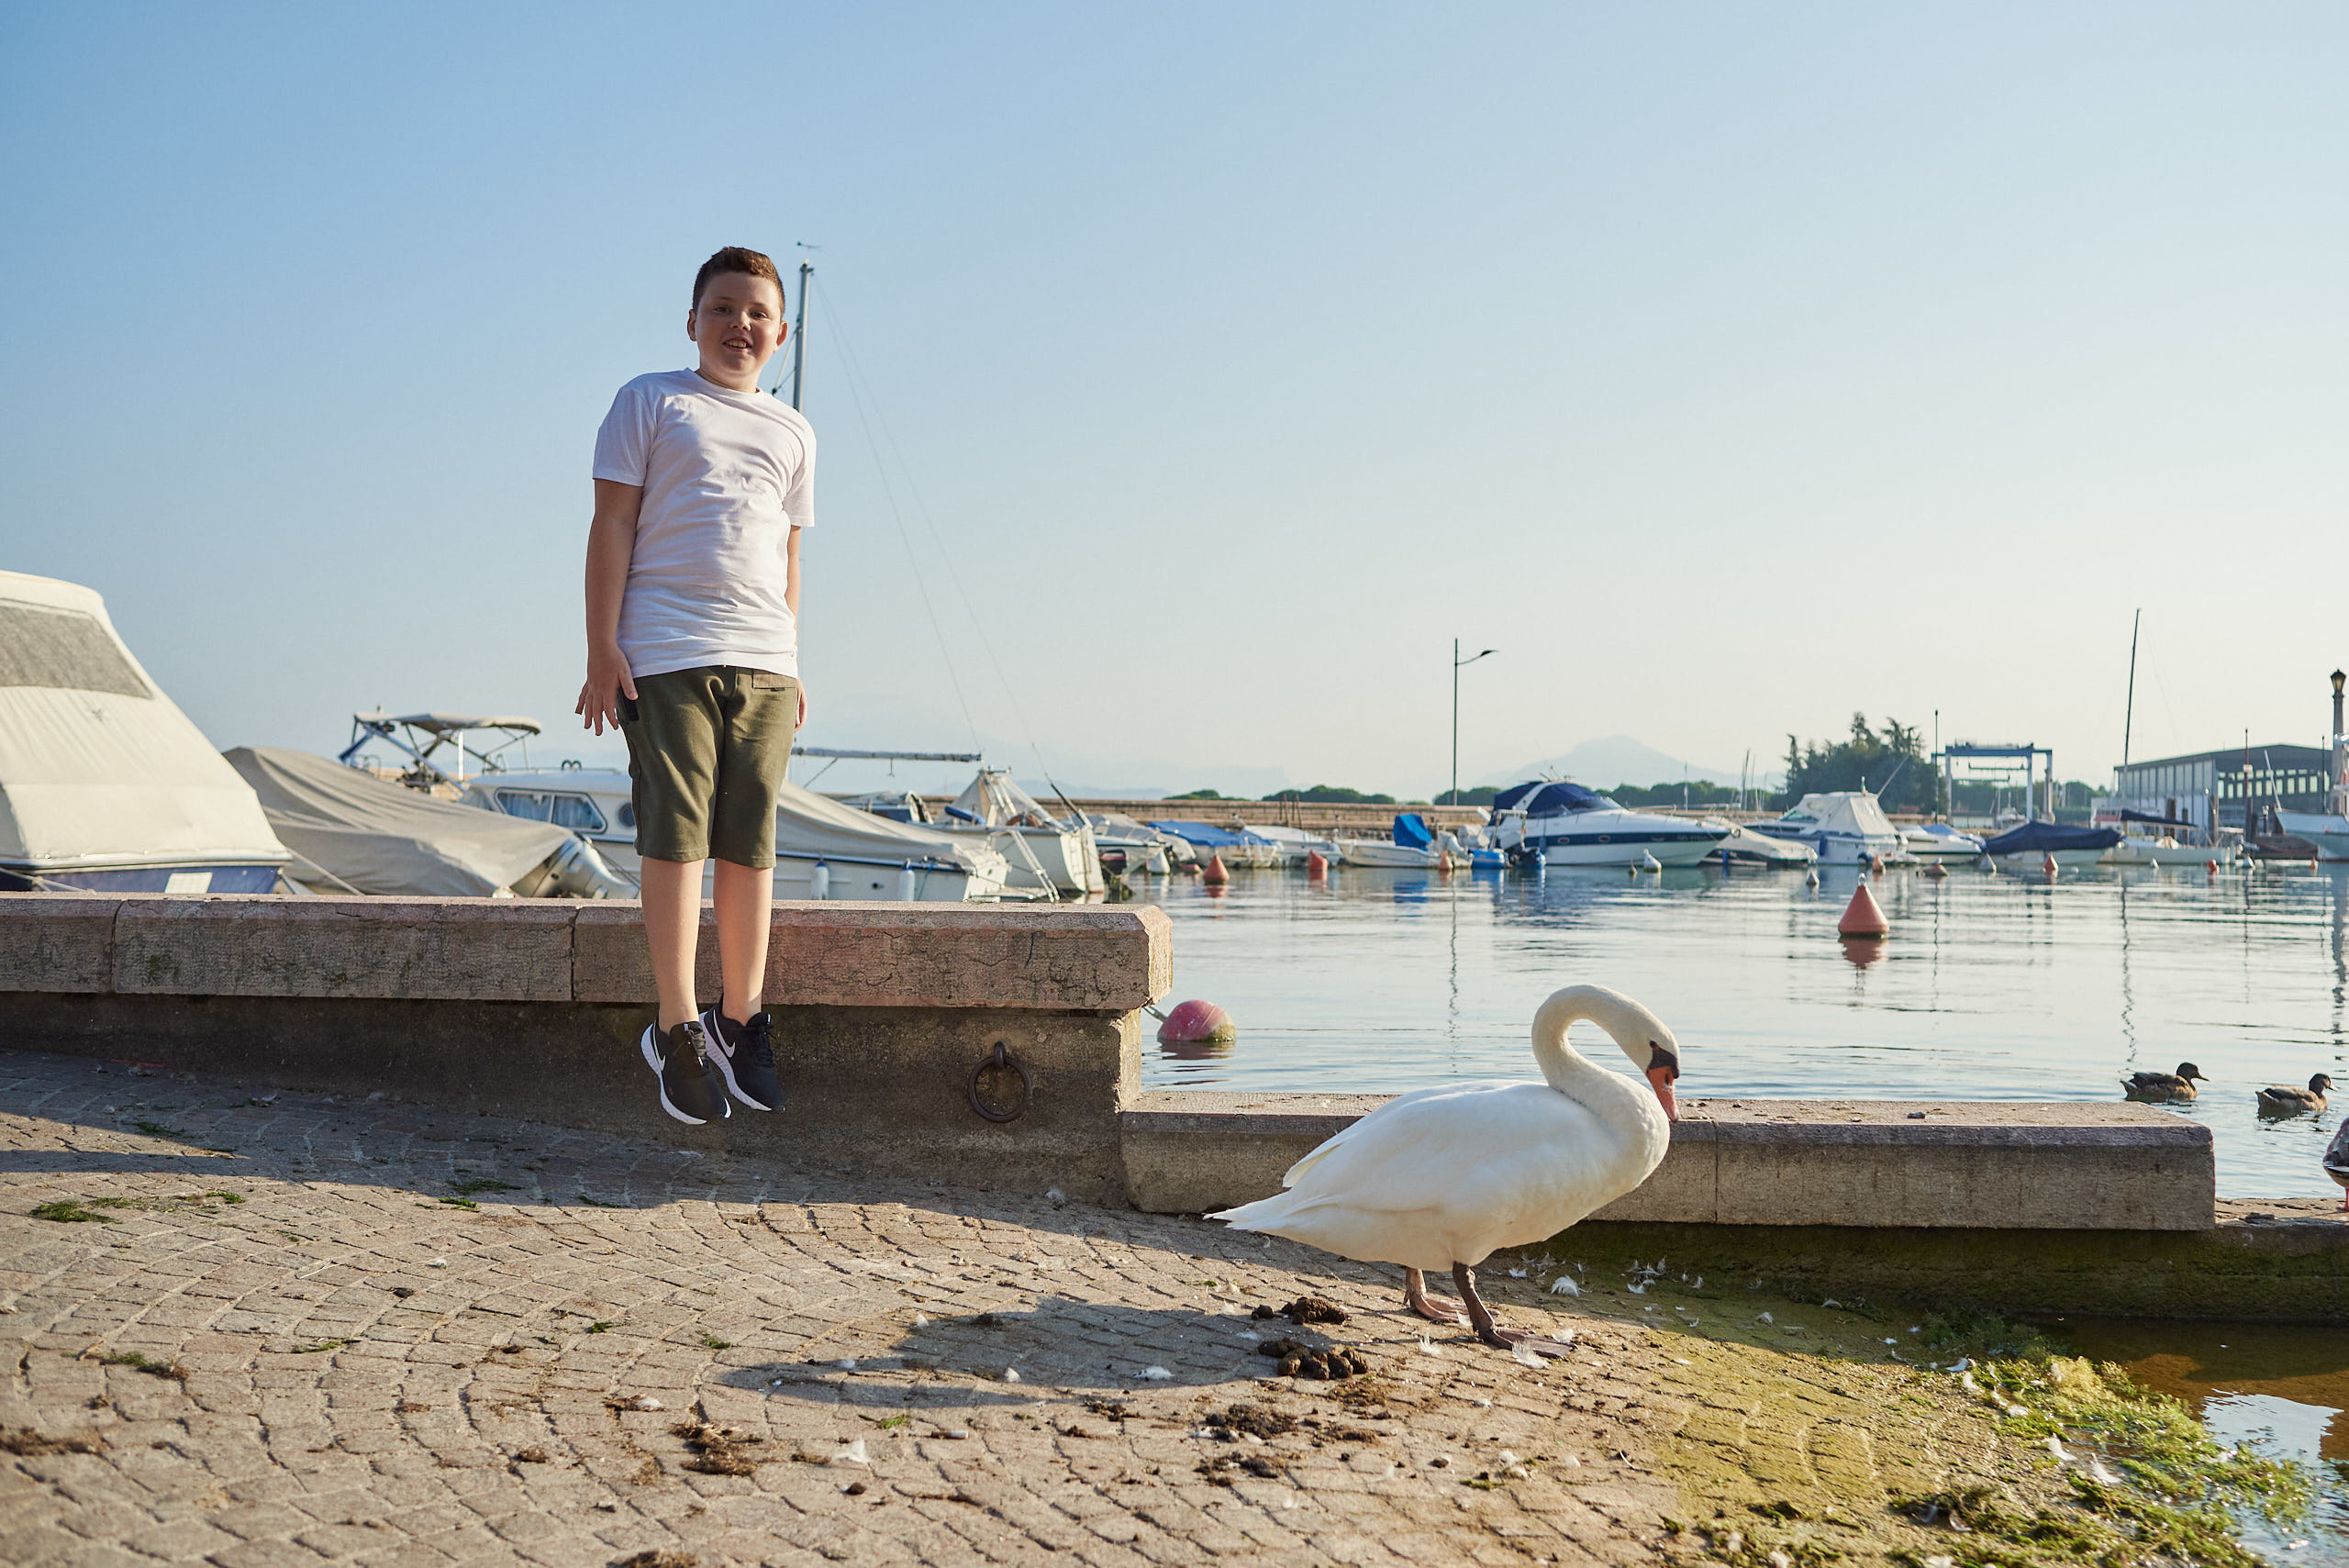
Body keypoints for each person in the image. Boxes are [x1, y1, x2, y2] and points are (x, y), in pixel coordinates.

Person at [575, 246, 815, 1126]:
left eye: (756, 313)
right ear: (691, 320)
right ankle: (675, 1023)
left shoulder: (795, 431)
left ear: (780, 332)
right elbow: (611, 524)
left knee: (750, 843)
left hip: (764, 657)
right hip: (665, 648)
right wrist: (603, 648)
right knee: (675, 839)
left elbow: (789, 554)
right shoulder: (650, 400)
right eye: (722, 308)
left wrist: (792, 659)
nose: (739, 325)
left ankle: (740, 1019)